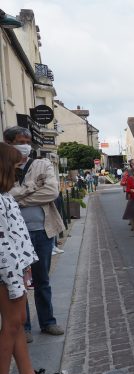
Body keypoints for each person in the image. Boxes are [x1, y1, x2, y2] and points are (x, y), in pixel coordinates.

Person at [0, 143, 63, 374]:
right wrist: (14, 273)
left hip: (16, 267)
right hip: (7, 271)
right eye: (14, 168)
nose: (17, 174)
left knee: (19, 321)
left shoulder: (6, 196)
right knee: (12, 326)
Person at [5, 127, 65, 343]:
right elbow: (5, 194)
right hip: (13, 235)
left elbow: (51, 192)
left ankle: (48, 322)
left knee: (42, 280)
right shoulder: (4, 166)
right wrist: (32, 187)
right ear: (9, 143)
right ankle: (25, 327)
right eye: (21, 141)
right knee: (19, 283)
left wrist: (19, 198)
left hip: (42, 231)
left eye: (28, 141)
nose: (25, 145)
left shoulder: (42, 164)